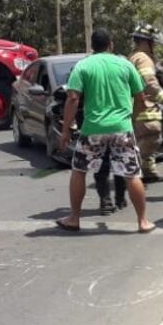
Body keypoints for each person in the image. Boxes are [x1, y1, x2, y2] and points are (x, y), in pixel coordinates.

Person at [57, 29, 155, 234]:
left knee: (79, 171)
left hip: (93, 128)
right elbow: (141, 98)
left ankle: (74, 218)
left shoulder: (83, 65)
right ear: (111, 44)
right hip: (122, 128)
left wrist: (66, 130)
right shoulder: (125, 64)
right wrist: (133, 119)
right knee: (131, 174)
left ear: (93, 46)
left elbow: (73, 98)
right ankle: (143, 221)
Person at [127, 23, 163, 183]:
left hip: (138, 106)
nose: (154, 45)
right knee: (151, 136)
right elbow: (150, 83)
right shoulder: (143, 58)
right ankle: (129, 167)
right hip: (144, 106)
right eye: (152, 42)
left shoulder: (135, 56)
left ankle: (148, 171)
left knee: (145, 137)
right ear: (146, 42)